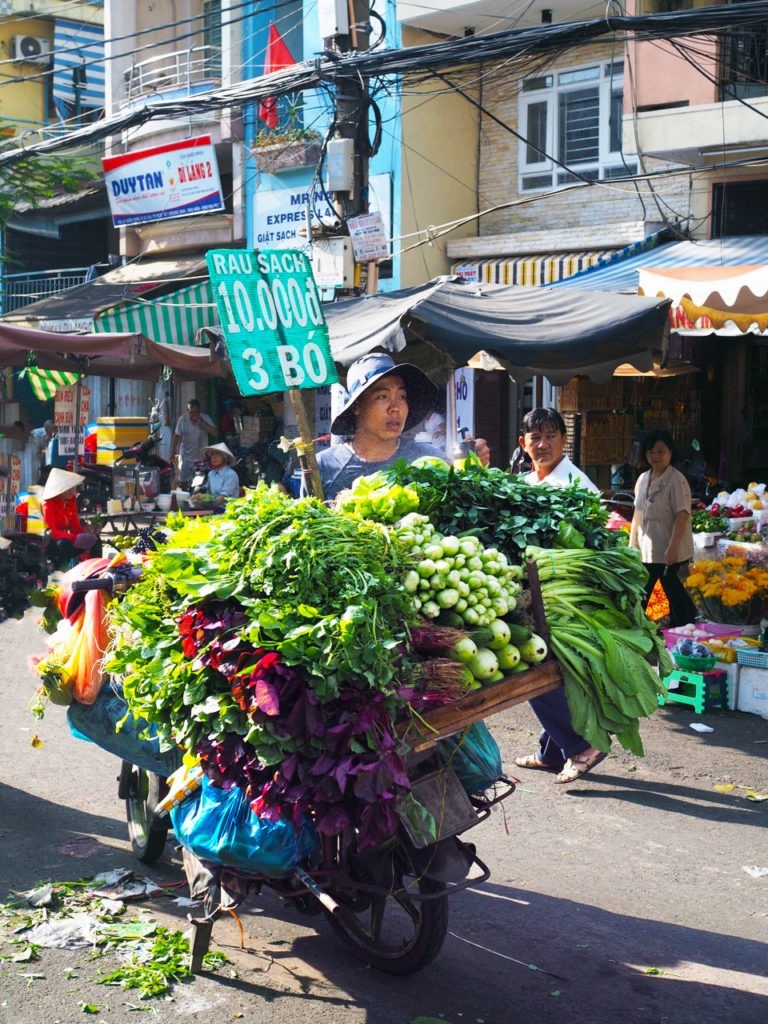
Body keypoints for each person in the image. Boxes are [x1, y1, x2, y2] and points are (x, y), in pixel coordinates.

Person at [514, 408, 608, 784]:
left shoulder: (576, 485)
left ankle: (580, 743)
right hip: (531, 593)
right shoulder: (523, 482)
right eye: (535, 437)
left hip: (561, 597)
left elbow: (594, 544)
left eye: (551, 435)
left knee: (534, 668)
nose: (543, 443)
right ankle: (551, 753)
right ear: (523, 444)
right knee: (553, 670)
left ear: (564, 441)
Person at [315, 351, 490, 501]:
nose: (395, 407)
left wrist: (474, 469)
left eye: (402, 397)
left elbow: (461, 503)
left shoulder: (431, 460)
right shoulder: (324, 466)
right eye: (382, 396)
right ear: (357, 406)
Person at [629, 429, 697, 627]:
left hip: (670, 548)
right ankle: (657, 629)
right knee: (648, 591)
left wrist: (673, 547)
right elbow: (638, 513)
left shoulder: (677, 479)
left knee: (674, 592)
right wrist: (632, 543)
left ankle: (686, 628)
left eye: (661, 451)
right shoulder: (643, 479)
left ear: (670, 452)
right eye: (651, 452)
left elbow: (682, 515)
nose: (656, 456)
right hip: (648, 549)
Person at [41, 467, 101, 566]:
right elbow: (52, 532)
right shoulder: (48, 504)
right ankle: (62, 569)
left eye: (72, 488)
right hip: (51, 543)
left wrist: (87, 531)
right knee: (64, 544)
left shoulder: (70, 502)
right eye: (67, 489)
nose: (71, 491)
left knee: (95, 540)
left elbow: (76, 527)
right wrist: (73, 537)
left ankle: (96, 569)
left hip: (68, 538)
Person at [171, 399, 218, 490]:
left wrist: (202, 423)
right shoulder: (182, 420)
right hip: (186, 456)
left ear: (199, 411)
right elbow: (176, 436)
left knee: (199, 482)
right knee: (183, 481)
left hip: (200, 457)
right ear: (187, 411)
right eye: (190, 412)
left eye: (195, 412)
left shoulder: (205, 418)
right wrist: (172, 452)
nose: (193, 415)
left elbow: (215, 433)